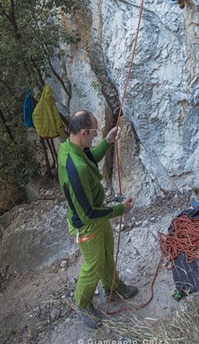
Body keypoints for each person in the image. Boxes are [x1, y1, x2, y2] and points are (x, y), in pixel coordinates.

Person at [57, 110, 138, 328]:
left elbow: (90, 157)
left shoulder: (70, 146)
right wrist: (120, 209)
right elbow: (88, 214)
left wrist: (107, 141)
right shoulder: (75, 168)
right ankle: (82, 303)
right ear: (82, 132)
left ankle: (114, 287)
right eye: (93, 132)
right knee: (93, 265)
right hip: (86, 224)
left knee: (107, 253)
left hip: (95, 214)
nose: (95, 136)